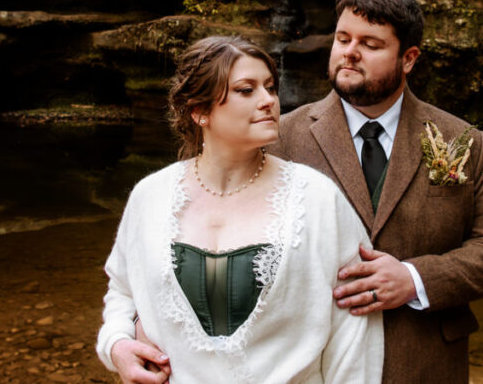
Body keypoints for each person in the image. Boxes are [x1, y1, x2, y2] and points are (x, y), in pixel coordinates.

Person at [270, 0, 483, 382]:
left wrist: (413, 280)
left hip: (424, 362)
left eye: (370, 44)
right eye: (342, 38)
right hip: (315, 363)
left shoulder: (463, 141)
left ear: (408, 59)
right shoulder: (282, 137)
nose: (350, 52)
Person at [96, 36, 383, 384]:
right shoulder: (150, 196)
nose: (270, 102)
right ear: (199, 111)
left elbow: (354, 331)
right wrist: (116, 345)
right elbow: (122, 290)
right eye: (247, 90)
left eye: (271, 88)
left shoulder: (317, 198)